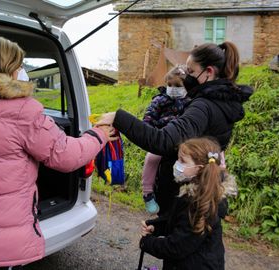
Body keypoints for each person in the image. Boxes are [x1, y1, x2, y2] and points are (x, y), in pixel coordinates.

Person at [0, 35, 115, 270]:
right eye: (19, 65)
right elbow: (66, 156)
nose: (22, 71)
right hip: (8, 237)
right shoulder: (22, 111)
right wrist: (99, 134)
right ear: (8, 68)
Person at [97, 41, 253, 215]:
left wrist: (119, 118)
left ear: (209, 72)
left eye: (191, 72)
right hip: (204, 191)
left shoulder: (203, 107)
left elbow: (164, 141)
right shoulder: (224, 103)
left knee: (174, 239)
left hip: (182, 199)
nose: (187, 77)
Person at [140, 137, 236, 270]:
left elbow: (176, 247)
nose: (177, 164)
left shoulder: (199, 204)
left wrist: (148, 243)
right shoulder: (192, 192)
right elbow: (178, 222)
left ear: (199, 168)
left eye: (182, 161)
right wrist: (157, 227)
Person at [142, 66, 189, 214]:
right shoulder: (160, 99)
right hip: (161, 137)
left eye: (177, 86)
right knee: (151, 158)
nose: (172, 89)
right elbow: (148, 116)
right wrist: (149, 131)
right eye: (169, 85)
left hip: (182, 140)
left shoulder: (190, 102)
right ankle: (147, 193)